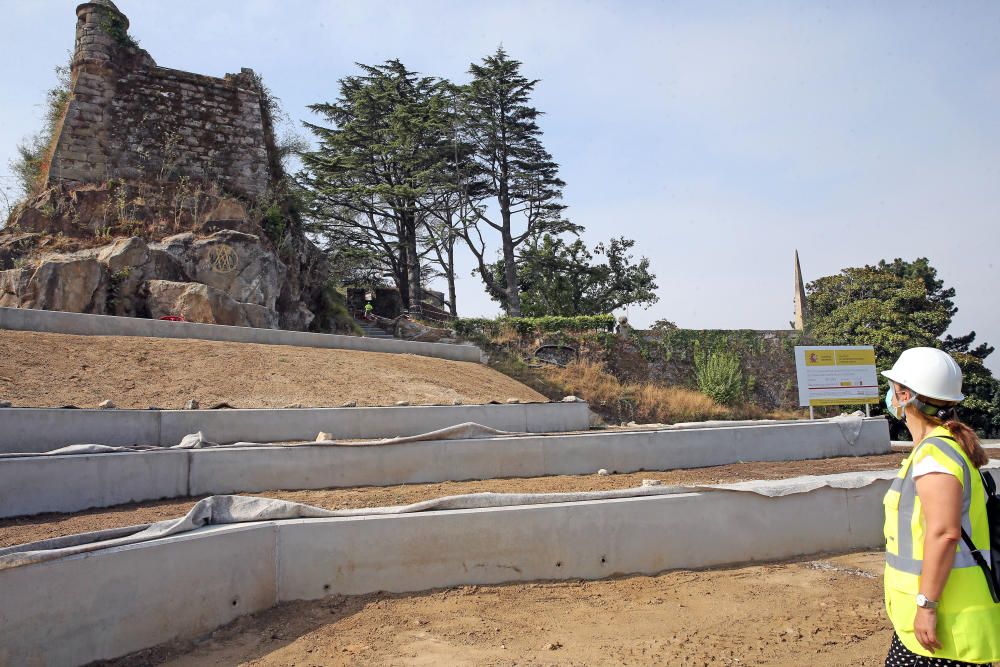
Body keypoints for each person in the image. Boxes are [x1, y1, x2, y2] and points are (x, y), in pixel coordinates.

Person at [881, 347, 999, 666]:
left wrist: (926, 605)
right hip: (937, 619)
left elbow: (945, 533)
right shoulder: (937, 449)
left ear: (905, 395)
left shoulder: (935, 455)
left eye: (892, 389)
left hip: (946, 621)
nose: (889, 397)